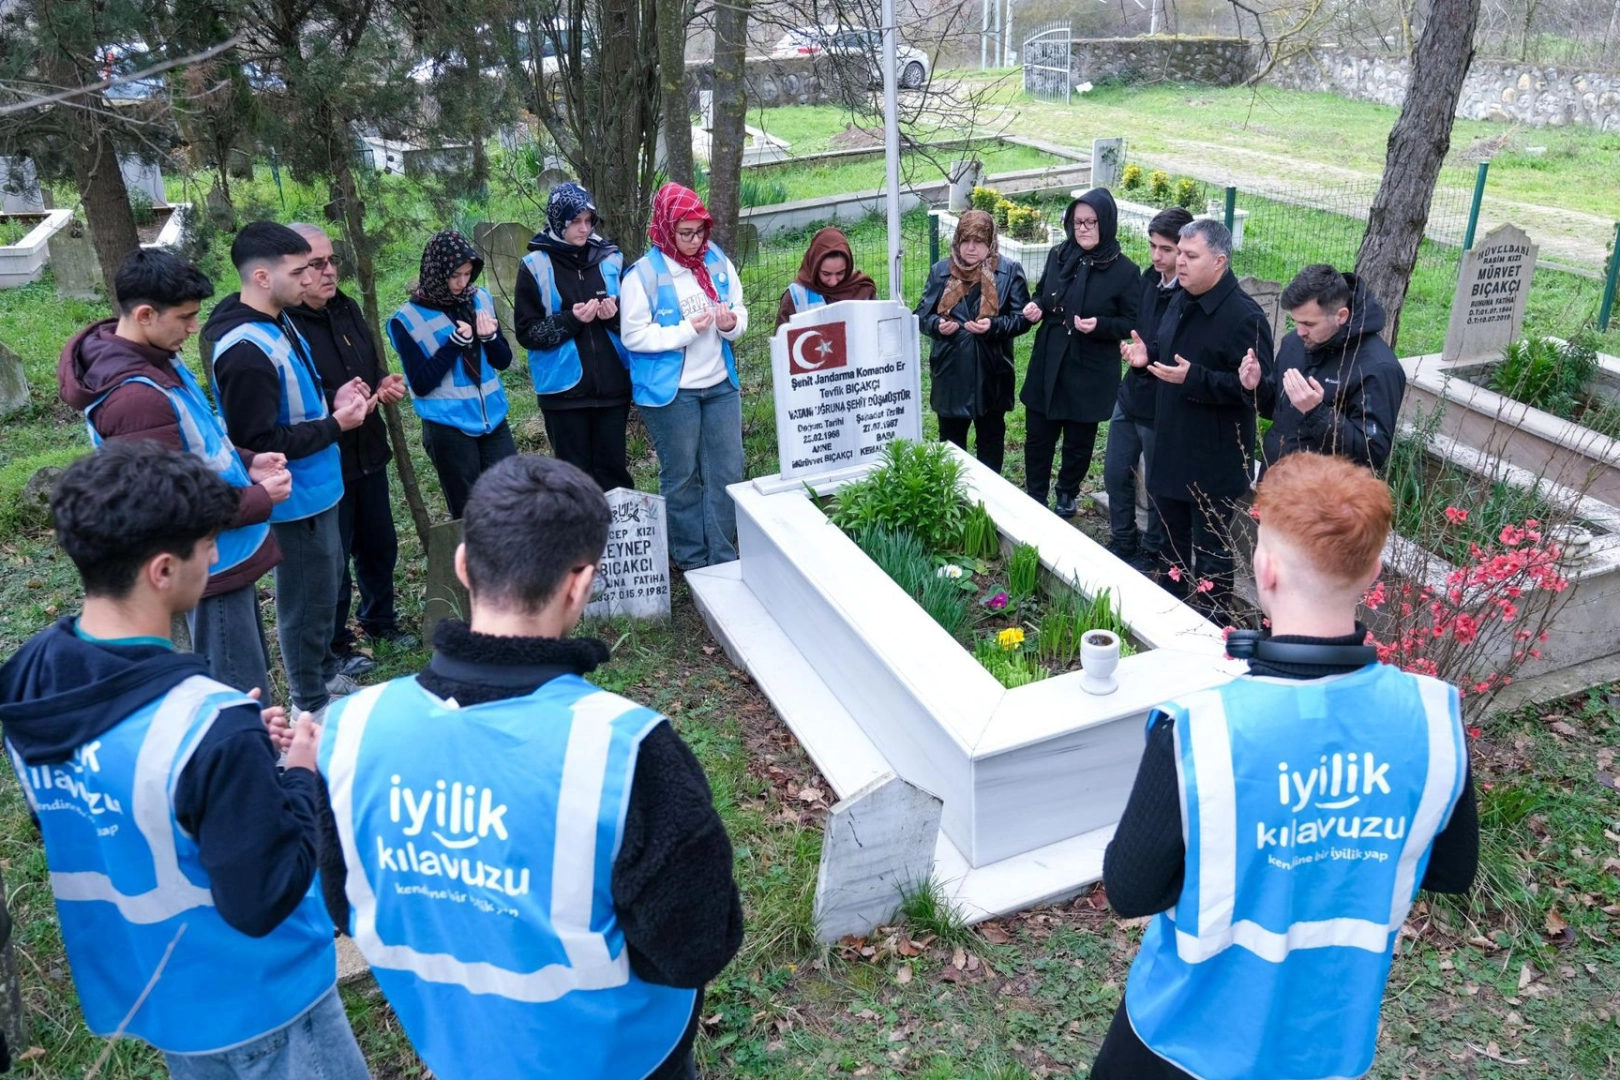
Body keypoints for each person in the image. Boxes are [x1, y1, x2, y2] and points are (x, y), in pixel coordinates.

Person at [316, 454, 745, 1080]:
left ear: (464, 566)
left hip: (458, 1048)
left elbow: (345, 902)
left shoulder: (348, 731)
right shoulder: (626, 752)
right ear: (579, 585)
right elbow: (694, 948)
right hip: (622, 1058)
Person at [1090, 452, 1478, 1080]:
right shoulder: (1434, 718)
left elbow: (1130, 891)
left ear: (1264, 569)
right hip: (1327, 1047)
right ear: (1374, 570)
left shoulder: (1199, 729)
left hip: (1179, 1043)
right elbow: (1453, 872)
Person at [0, 443, 369, 1080]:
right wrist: (296, 772)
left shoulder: (32, 680)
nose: (217, 556)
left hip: (155, 989)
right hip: (264, 1003)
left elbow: (86, 806)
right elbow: (266, 897)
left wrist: (233, 765)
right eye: (208, 545)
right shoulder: (209, 726)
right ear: (163, 570)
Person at [58, 247, 288, 698]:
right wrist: (259, 500)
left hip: (220, 550)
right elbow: (164, 504)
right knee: (238, 690)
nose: (193, 327)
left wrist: (246, 459)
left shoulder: (157, 358)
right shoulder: (135, 399)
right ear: (145, 314)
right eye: (184, 317)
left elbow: (194, 435)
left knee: (246, 671)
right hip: (201, 561)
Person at [205, 220, 375, 719]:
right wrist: (336, 424)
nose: (310, 280)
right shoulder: (243, 349)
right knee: (304, 604)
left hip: (321, 485)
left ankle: (322, 675)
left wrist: (332, 401)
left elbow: (294, 402)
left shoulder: (278, 321)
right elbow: (256, 442)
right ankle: (311, 706)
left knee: (323, 594)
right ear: (261, 277)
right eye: (299, 271)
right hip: (294, 497)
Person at [1122, 218, 1273, 617]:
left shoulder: (1244, 318)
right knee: (1170, 544)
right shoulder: (1180, 299)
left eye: (1191, 256)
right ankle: (1169, 619)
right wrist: (1143, 361)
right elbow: (1165, 358)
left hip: (1212, 458)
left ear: (1220, 261)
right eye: (1181, 254)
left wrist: (1197, 379)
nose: (1180, 263)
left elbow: (1258, 392)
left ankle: (1208, 624)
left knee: (1210, 554)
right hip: (1171, 445)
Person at [285, 224, 415, 673]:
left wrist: (384, 382)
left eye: (331, 260)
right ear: (294, 272)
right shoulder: (285, 326)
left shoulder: (347, 309)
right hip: (325, 459)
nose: (328, 271)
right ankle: (335, 643)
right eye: (316, 264)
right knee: (332, 558)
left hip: (369, 450)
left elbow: (371, 362)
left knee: (379, 544)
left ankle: (380, 620)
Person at [620, 182, 749, 570]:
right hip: (672, 393)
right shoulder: (641, 276)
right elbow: (633, 335)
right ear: (664, 229)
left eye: (700, 231)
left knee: (728, 470)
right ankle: (692, 561)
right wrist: (686, 331)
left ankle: (723, 556)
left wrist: (729, 324)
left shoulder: (715, 261)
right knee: (682, 477)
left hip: (719, 384)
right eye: (685, 233)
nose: (695, 241)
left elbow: (739, 312)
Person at [1019, 189, 1140, 517]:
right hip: (1050, 354)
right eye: (1077, 222)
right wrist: (1036, 306)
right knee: (1038, 433)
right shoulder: (1059, 254)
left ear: (1107, 223)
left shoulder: (1126, 271)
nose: (1083, 228)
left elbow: (1132, 322)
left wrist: (1099, 325)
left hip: (1091, 362)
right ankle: (1036, 494)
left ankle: (1067, 492)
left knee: (1079, 437)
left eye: (1091, 222)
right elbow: (1044, 293)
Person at [513, 183, 634, 493]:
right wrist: (571, 320)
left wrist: (613, 317)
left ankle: (618, 540)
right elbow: (527, 333)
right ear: (557, 221)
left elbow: (634, 324)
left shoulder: (612, 258)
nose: (584, 228)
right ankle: (581, 541)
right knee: (573, 482)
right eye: (575, 221)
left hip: (612, 387)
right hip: (562, 393)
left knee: (615, 476)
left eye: (589, 220)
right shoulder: (533, 266)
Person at [388, 229, 517, 520]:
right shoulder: (406, 319)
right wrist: (452, 345)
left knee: (514, 499)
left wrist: (490, 338)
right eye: (455, 275)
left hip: (493, 420)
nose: (462, 283)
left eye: (468, 274)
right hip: (448, 427)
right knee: (470, 513)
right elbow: (420, 385)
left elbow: (503, 360)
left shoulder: (480, 298)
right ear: (437, 271)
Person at [1241, 263, 1406, 472]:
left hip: (1323, 496)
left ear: (1341, 316)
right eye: (1296, 322)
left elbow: (1372, 454)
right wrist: (1254, 387)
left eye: (1309, 324)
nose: (1300, 332)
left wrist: (1316, 412)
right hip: (1275, 484)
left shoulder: (1379, 368)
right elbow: (1275, 409)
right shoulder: (1294, 343)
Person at [1101, 206, 1192, 568]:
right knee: (1115, 471)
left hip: (1161, 402)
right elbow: (1140, 326)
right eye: (1153, 246)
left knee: (1157, 484)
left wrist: (1147, 355)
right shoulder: (1149, 280)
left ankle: (1153, 550)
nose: (1157, 256)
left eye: (1165, 249)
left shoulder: (1188, 295)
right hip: (1131, 393)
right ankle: (1123, 539)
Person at [915, 209, 1032, 475]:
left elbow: (1022, 318)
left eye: (978, 242)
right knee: (951, 443)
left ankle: (989, 496)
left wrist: (994, 326)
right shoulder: (941, 271)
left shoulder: (1008, 271)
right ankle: (952, 495)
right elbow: (921, 315)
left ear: (990, 242)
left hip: (992, 371)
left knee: (991, 438)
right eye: (965, 240)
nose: (971, 248)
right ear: (957, 240)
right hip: (951, 370)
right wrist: (937, 325)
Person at [774, 225, 877, 329]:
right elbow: (783, 340)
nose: (833, 282)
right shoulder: (796, 296)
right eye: (826, 274)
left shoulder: (862, 289)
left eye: (840, 273)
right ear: (814, 267)